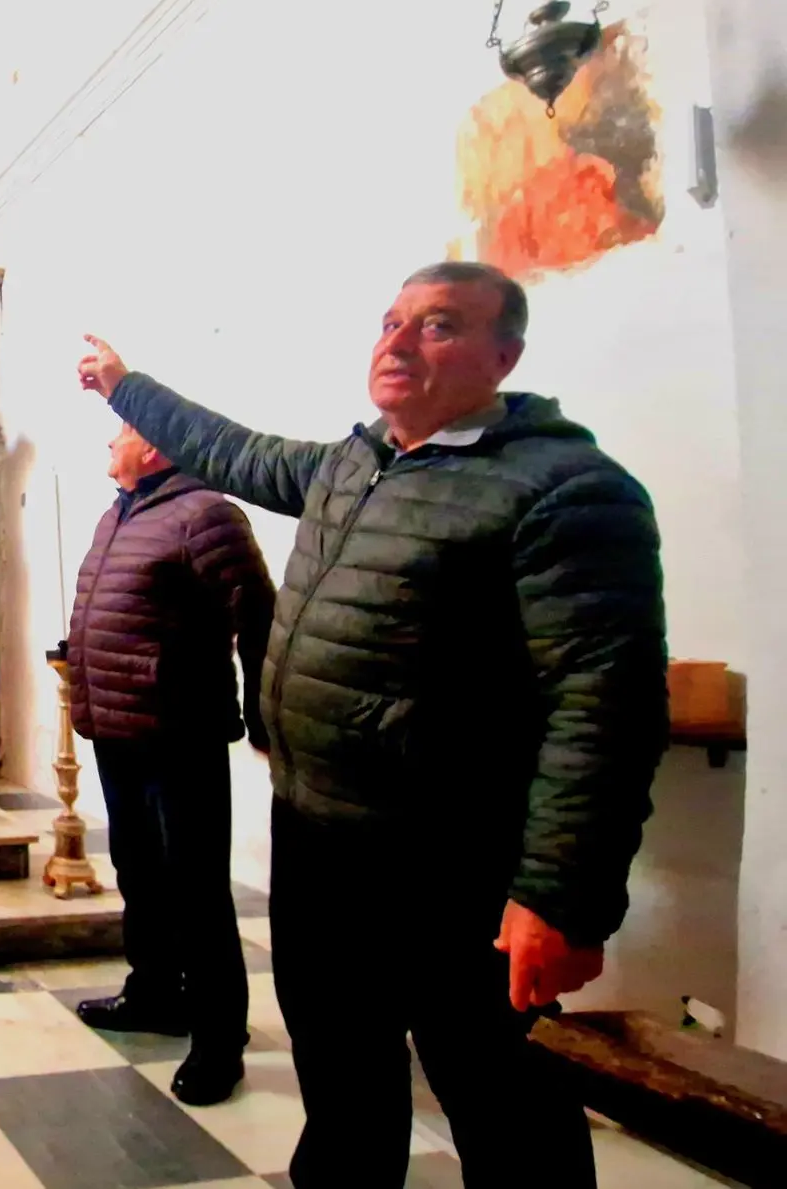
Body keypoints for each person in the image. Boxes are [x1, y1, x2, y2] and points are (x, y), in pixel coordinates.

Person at [76, 260, 666, 1187]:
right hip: (317, 836)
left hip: (450, 855)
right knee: (343, 1077)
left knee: (495, 1091)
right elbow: (231, 448)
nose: (396, 342)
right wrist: (126, 384)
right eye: (390, 322)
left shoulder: (566, 489)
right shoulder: (354, 464)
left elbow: (604, 708)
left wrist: (561, 896)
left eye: (436, 326)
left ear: (503, 353)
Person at [67, 423, 275, 1106]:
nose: (107, 445)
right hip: (116, 725)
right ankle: (155, 990)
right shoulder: (118, 513)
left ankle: (221, 1040)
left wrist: (262, 711)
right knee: (138, 869)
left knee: (196, 887)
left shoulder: (205, 514)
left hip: (177, 728)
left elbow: (257, 613)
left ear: (152, 449)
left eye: (116, 435)